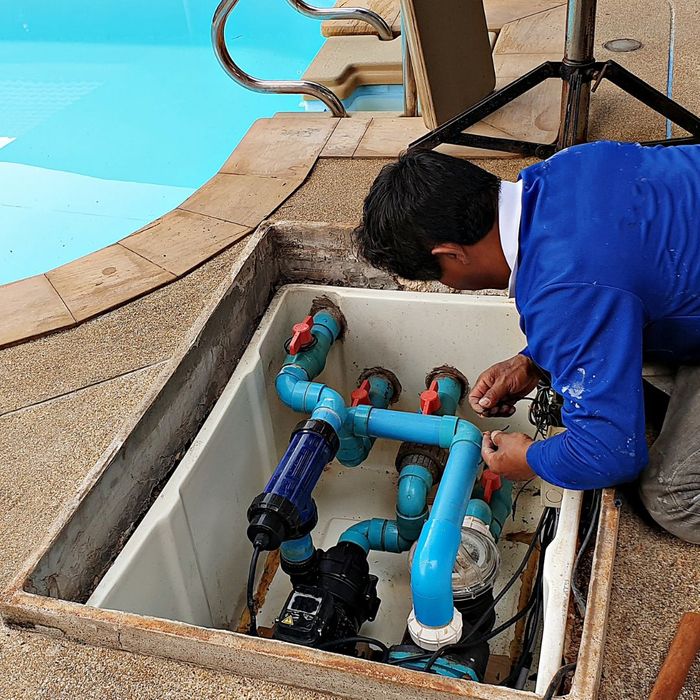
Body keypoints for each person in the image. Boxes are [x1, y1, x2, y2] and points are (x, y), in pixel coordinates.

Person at [353, 142, 700, 544]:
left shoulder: (563, 292)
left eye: (438, 276)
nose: (448, 286)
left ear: (450, 254)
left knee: (671, 497)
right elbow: (612, 273)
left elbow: (610, 454)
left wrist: (532, 459)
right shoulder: (566, 166)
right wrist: (534, 362)